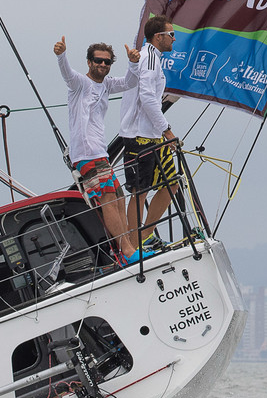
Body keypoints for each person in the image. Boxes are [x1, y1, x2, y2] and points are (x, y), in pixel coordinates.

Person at [54, 36, 142, 260]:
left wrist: (133, 63)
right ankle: (126, 251)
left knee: (119, 198)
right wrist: (61, 55)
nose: (103, 64)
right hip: (86, 153)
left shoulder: (107, 84)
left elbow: (130, 82)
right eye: (98, 60)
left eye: (107, 61)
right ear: (89, 62)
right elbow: (67, 74)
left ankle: (125, 248)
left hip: (100, 153)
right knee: (108, 199)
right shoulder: (80, 84)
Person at [121, 14, 181, 251]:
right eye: (171, 34)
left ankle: (144, 235)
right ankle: (134, 244)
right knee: (140, 192)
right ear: (158, 37)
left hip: (152, 135)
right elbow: (146, 97)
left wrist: (161, 132)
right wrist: (167, 131)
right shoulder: (149, 58)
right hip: (139, 136)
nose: (174, 39)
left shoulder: (154, 58)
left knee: (172, 184)